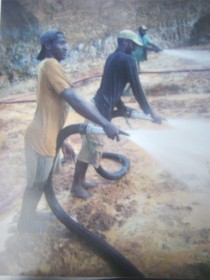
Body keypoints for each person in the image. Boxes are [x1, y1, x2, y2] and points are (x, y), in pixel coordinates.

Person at [17, 30, 120, 233]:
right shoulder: (50, 65)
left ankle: (31, 216)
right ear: (48, 45)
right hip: (40, 139)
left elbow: (51, 110)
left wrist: (62, 142)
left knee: (42, 180)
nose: (66, 46)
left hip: (48, 136)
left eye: (66, 43)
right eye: (61, 43)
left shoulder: (48, 67)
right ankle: (24, 223)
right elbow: (74, 98)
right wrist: (104, 123)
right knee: (36, 184)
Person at [71, 29, 163, 199]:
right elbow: (137, 88)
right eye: (133, 45)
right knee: (89, 149)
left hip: (98, 106)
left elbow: (113, 87)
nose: (135, 48)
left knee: (92, 148)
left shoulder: (112, 57)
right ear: (124, 42)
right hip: (99, 111)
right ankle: (76, 185)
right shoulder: (128, 59)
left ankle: (81, 181)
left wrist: (121, 106)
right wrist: (151, 113)